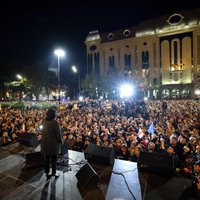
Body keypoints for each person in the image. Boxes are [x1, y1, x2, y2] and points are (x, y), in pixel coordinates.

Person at [41, 109, 62, 179]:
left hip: (45, 143)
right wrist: (60, 141)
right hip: (53, 144)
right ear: (53, 115)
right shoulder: (55, 122)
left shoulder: (43, 121)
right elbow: (58, 134)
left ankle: (47, 172)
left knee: (46, 159)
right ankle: (53, 172)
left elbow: (42, 131)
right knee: (54, 160)